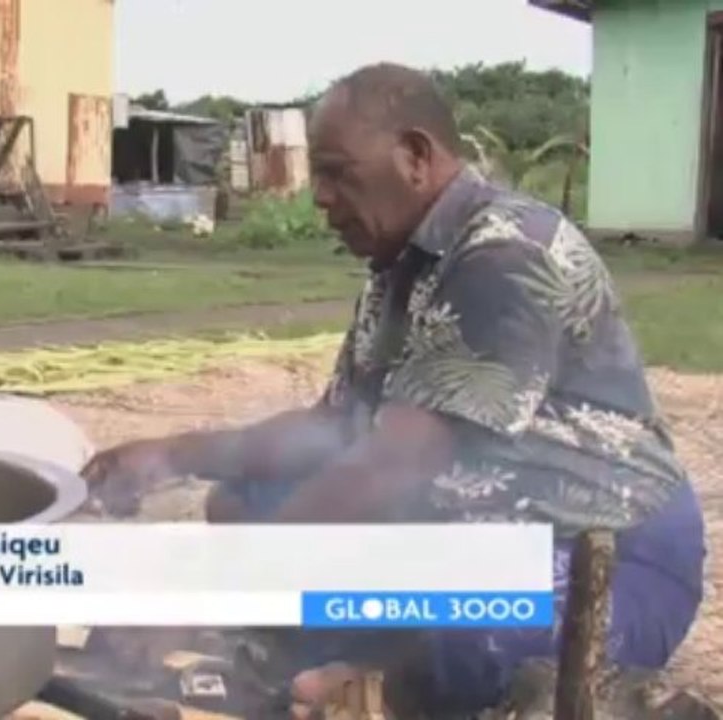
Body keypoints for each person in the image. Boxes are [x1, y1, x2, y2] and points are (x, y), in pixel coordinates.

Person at [81, 63, 707, 717]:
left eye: (336, 172)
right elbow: (331, 431)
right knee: (241, 506)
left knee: (469, 643)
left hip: (597, 555)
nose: (318, 196)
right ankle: (348, 660)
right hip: (476, 535)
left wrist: (210, 591)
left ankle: (373, 684)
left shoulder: (505, 256)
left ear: (413, 156)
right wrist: (169, 454)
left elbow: (389, 465)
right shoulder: (399, 263)